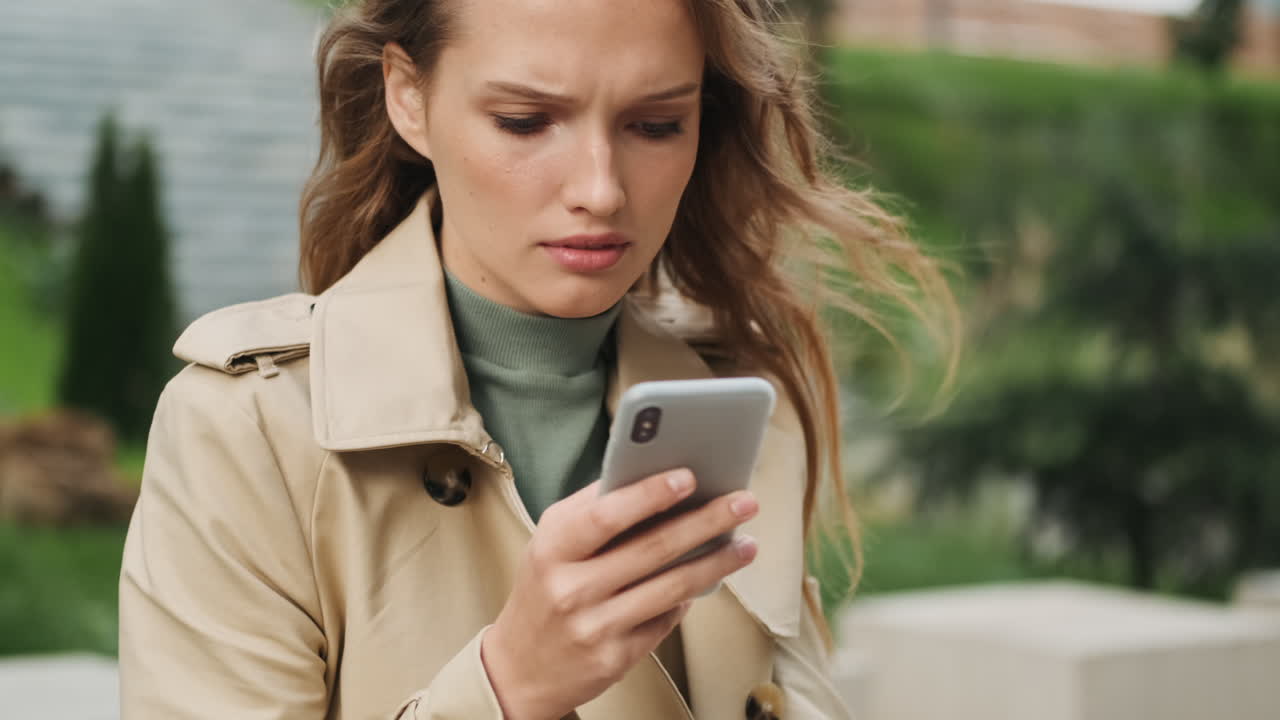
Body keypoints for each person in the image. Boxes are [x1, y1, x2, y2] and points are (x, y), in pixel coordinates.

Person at [118, 0, 956, 718]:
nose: (601, 188)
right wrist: (511, 685)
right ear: (409, 96)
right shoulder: (247, 430)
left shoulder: (735, 404)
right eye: (526, 121)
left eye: (657, 124)